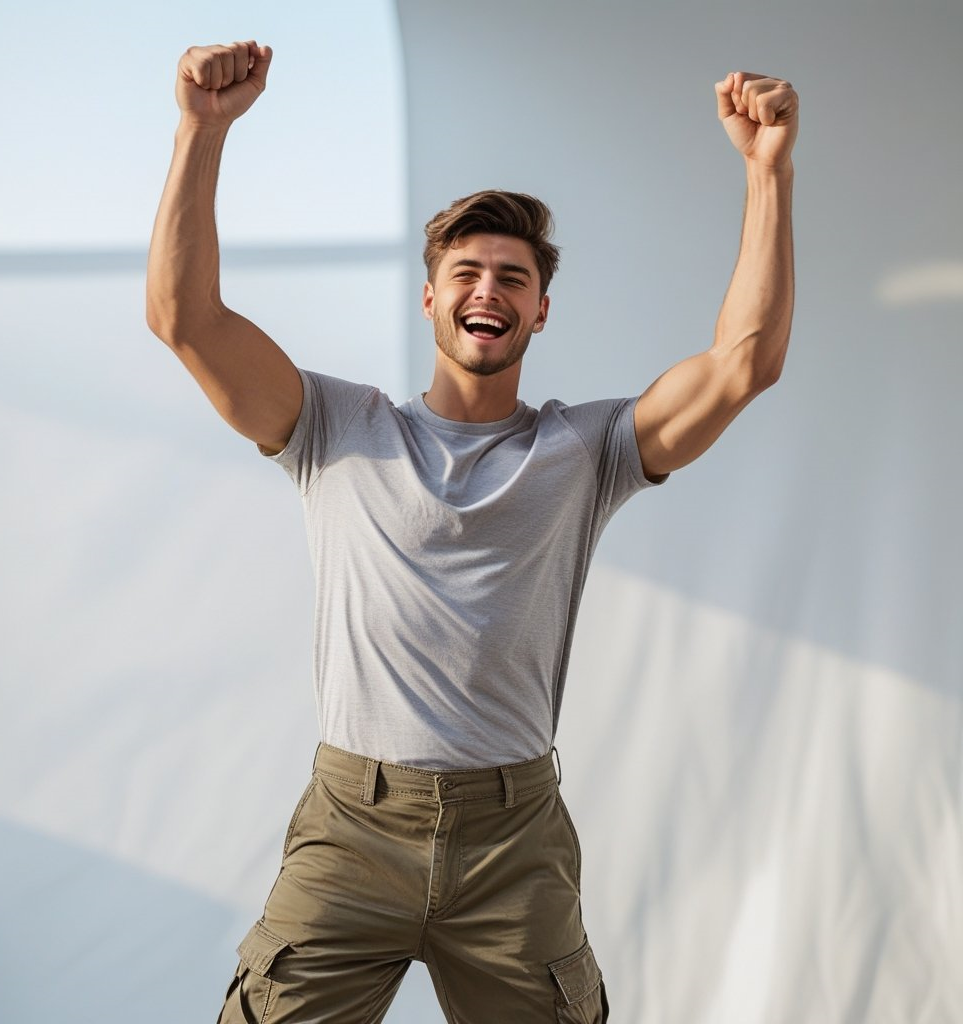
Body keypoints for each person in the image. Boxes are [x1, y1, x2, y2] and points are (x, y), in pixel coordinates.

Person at [147, 39, 797, 1024]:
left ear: (540, 310)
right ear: (431, 297)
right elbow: (184, 318)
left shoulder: (586, 449)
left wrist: (767, 172)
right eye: (465, 270)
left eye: (511, 276)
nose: (486, 288)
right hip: (351, 830)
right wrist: (201, 129)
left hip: (513, 838)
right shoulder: (335, 427)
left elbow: (742, 363)